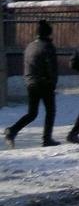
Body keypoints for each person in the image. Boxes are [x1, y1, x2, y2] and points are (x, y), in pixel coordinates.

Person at [4, 19, 60, 148]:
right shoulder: (48, 47)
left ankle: (12, 131)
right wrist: (53, 82)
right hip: (44, 82)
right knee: (50, 111)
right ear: (48, 34)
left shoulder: (30, 46)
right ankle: (47, 139)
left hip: (31, 82)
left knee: (32, 113)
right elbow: (52, 67)